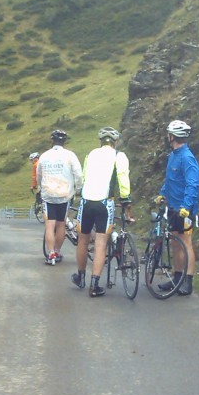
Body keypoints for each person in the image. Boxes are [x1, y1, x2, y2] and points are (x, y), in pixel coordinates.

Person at [71, 127, 131, 297]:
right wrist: (126, 198)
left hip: (86, 201)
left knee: (82, 241)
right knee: (100, 243)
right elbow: (123, 177)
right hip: (105, 203)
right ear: (115, 142)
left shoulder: (90, 155)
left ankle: (80, 277)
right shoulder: (119, 156)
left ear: (100, 141)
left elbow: (83, 178)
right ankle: (94, 285)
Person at [154, 119, 199, 295]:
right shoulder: (173, 155)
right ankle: (177, 277)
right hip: (173, 206)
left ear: (172, 136)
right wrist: (162, 193)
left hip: (184, 208)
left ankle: (188, 282)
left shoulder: (187, 158)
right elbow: (170, 180)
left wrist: (187, 206)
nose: (167, 136)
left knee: (186, 243)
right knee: (175, 242)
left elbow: (192, 184)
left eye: (168, 134)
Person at [37, 130, 83, 265]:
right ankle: (57, 251)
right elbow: (78, 174)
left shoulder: (44, 156)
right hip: (64, 194)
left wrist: (40, 188)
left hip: (48, 194)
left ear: (52, 140)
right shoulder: (70, 155)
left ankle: (50, 254)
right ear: (64, 141)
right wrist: (78, 189)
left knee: (49, 225)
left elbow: (38, 174)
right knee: (61, 223)